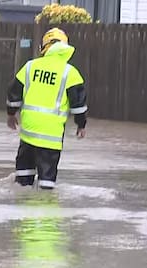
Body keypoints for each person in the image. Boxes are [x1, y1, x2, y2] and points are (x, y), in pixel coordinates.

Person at [6, 27, 88, 190]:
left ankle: (21, 212)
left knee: (22, 180)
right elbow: (78, 104)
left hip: (28, 133)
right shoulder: (70, 73)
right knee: (46, 185)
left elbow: (14, 92)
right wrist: (81, 125)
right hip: (51, 138)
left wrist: (11, 114)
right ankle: (44, 213)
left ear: (44, 47)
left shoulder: (30, 66)